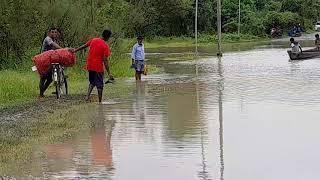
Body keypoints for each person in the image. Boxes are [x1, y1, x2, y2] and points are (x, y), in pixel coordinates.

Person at [73, 29, 113, 103]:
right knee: (100, 85)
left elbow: (84, 46)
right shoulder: (105, 46)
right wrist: (109, 72)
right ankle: (100, 102)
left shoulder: (94, 40)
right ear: (108, 37)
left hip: (90, 65)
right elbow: (105, 60)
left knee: (92, 82)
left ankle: (87, 96)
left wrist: (75, 50)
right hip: (98, 67)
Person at [39, 27, 63, 97]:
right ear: (49, 33)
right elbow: (53, 45)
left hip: (50, 59)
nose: (54, 33)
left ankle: (42, 92)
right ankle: (41, 93)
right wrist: (63, 49)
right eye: (52, 32)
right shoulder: (48, 39)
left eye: (55, 32)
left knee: (50, 79)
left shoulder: (54, 39)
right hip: (44, 59)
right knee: (43, 77)